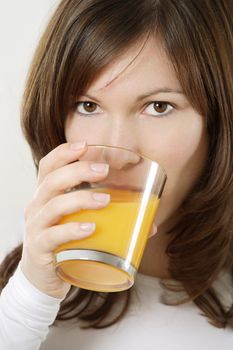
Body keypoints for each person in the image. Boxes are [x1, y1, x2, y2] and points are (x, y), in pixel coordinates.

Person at [0, 0, 233, 349]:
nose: (116, 151)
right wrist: (29, 297)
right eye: (88, 106)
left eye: (158, 107)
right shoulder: (26, 277)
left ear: (218, 123)